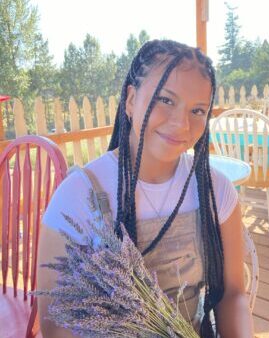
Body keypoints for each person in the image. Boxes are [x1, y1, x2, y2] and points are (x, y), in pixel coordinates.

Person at [37, 39, 254, 338]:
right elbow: (55, 324)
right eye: (166, 100)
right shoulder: (76, 197)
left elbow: (232, 294)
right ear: (130, 100)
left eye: (198, 110)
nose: (181, 123)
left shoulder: (217, 190)